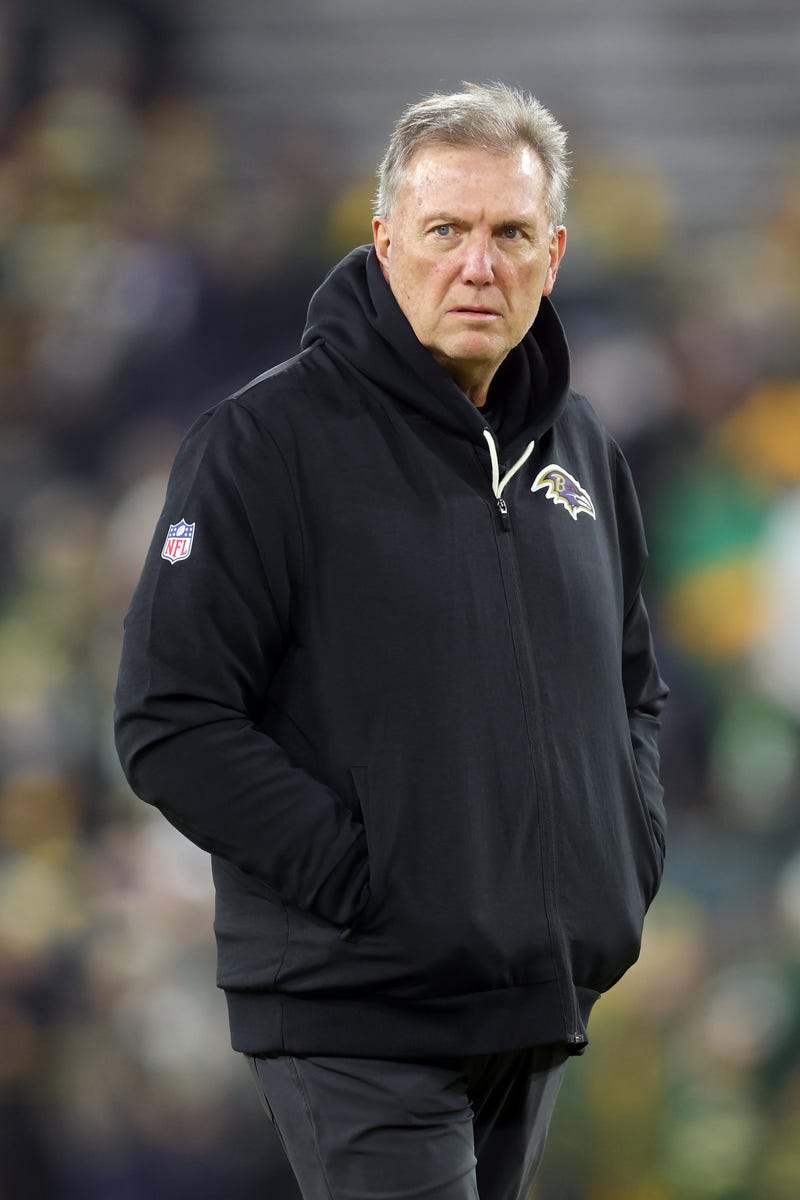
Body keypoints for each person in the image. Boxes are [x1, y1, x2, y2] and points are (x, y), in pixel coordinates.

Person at [114, 82, 668, 1200]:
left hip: (533, 995)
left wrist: (620, 852)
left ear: (552, 253)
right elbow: (169, 720)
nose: (479, 265)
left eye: (509, 233)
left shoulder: (583, 452)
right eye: (445, 231)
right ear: (382, 243)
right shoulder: (265, 441)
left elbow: (635, 692)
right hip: (358, 1002)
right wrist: (371, 881)